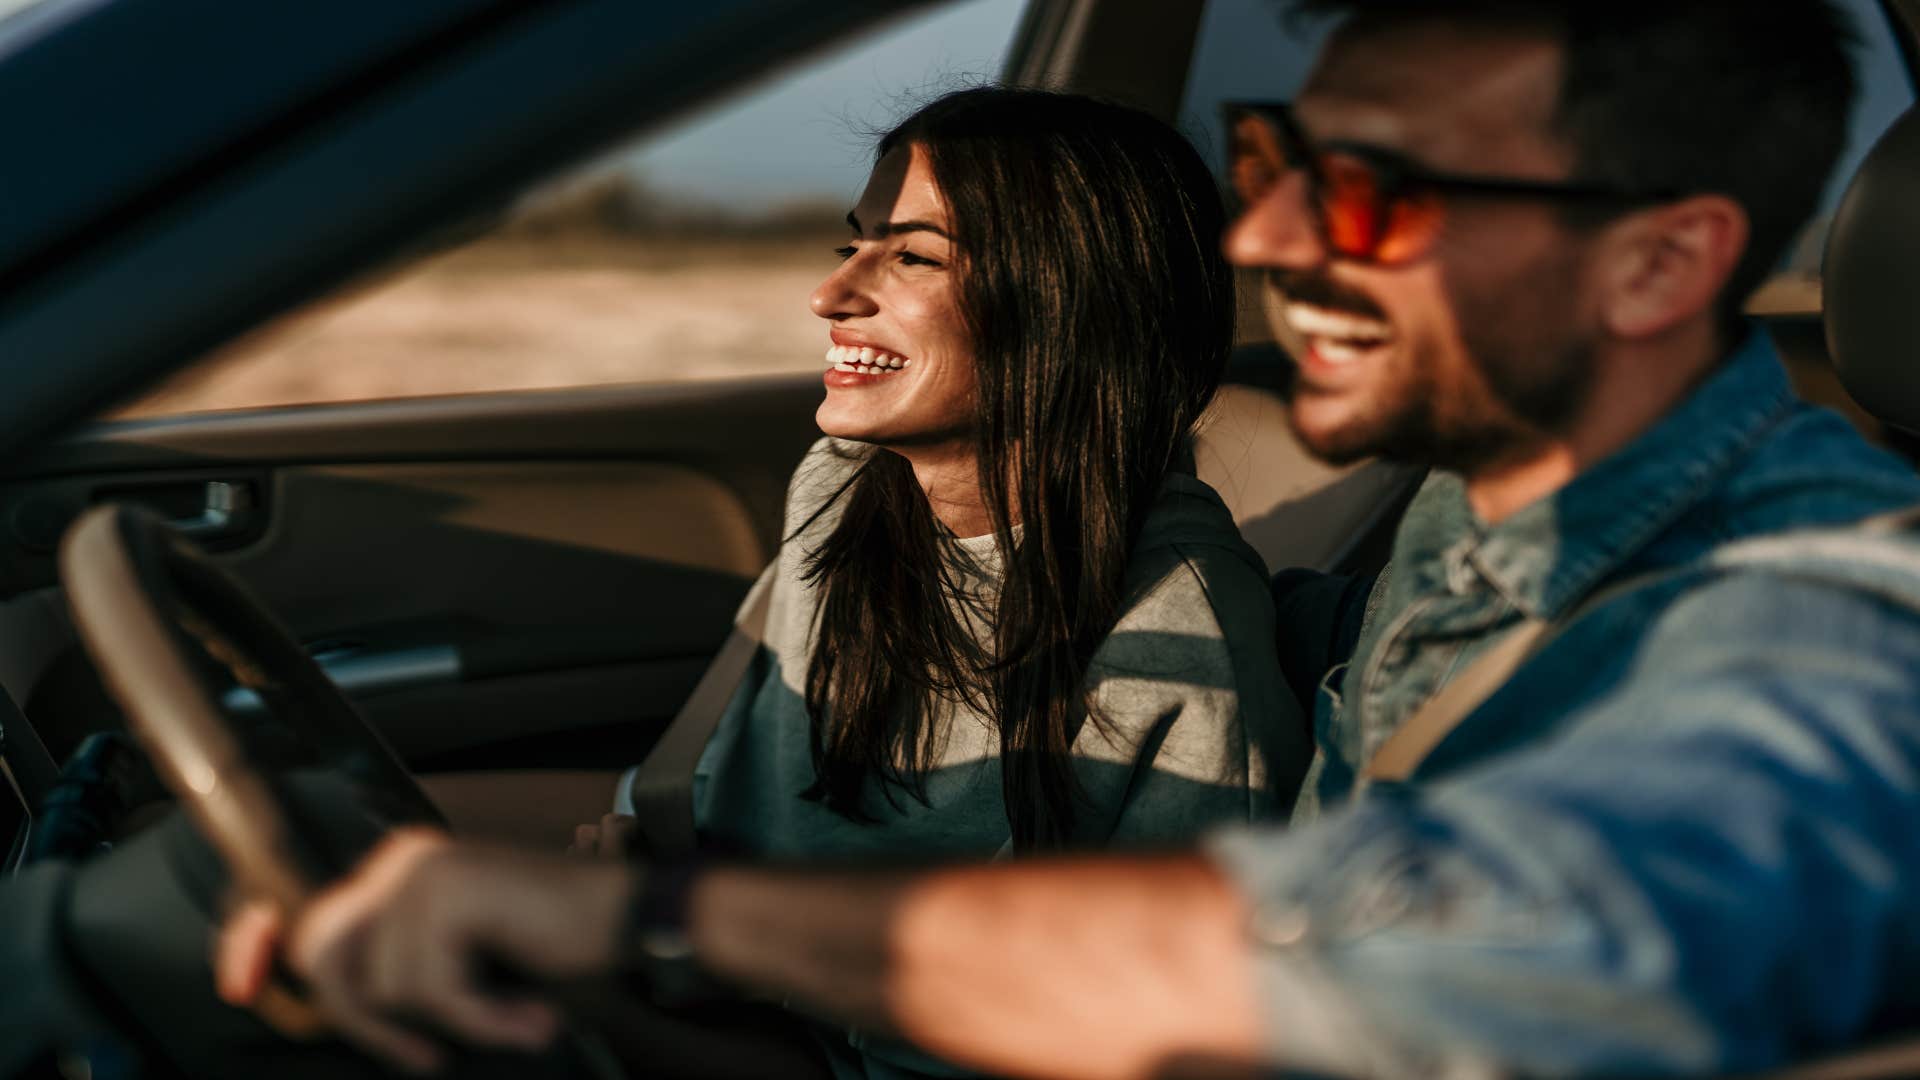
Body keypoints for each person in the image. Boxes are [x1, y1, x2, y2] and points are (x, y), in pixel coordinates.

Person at [217, 2, 1920, 1077]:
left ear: (1655, 266)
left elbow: (1470, 953)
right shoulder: (1459, 529)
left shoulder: (1821, 614)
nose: (1257, 237)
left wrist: (671, 929)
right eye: (1274, 166)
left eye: (1369, 197)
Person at [224, 87, 1307, 1078]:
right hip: (691, 947)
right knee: (283, 857)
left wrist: (634, 959)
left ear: (1072, 305)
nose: (830, 293)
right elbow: (739, 783)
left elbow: (1133, 1025)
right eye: (854, 246)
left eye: (912, 259)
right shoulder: (845, 488)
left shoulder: (1183, 648)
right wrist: (627, 863)